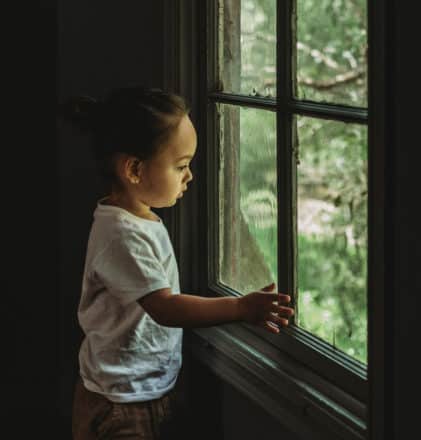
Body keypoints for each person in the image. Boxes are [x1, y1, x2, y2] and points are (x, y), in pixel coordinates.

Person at [59, 86, 294, 440]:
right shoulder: (123, 235)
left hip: (127, 387)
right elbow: (165, 308)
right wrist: (240, 307)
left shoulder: (132, 218)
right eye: (181, 166)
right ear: (135, 169)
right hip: (125, 401)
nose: (190, 176)